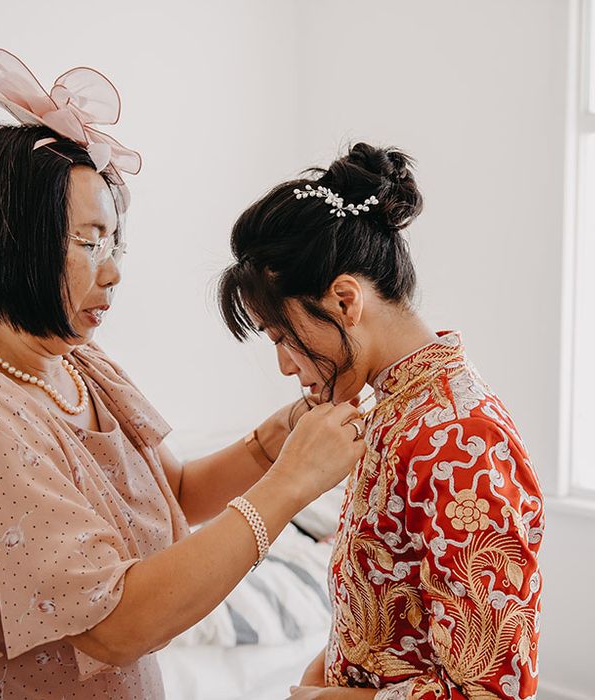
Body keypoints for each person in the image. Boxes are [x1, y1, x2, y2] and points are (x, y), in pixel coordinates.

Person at [0, 49, 366, 699]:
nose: (114, 270)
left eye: (115, 242)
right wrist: (288, 486)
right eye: (89, 242)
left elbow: (170, 494)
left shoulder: (74, 364)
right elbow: (114, 626)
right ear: (9, 242)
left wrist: (282, 431)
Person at [218, 143, 544, 699]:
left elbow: (492, 694)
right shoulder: (394, 411)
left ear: (346, 301)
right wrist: (329, 662)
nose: (284, 366)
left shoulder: (464, 442)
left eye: (284, 338)